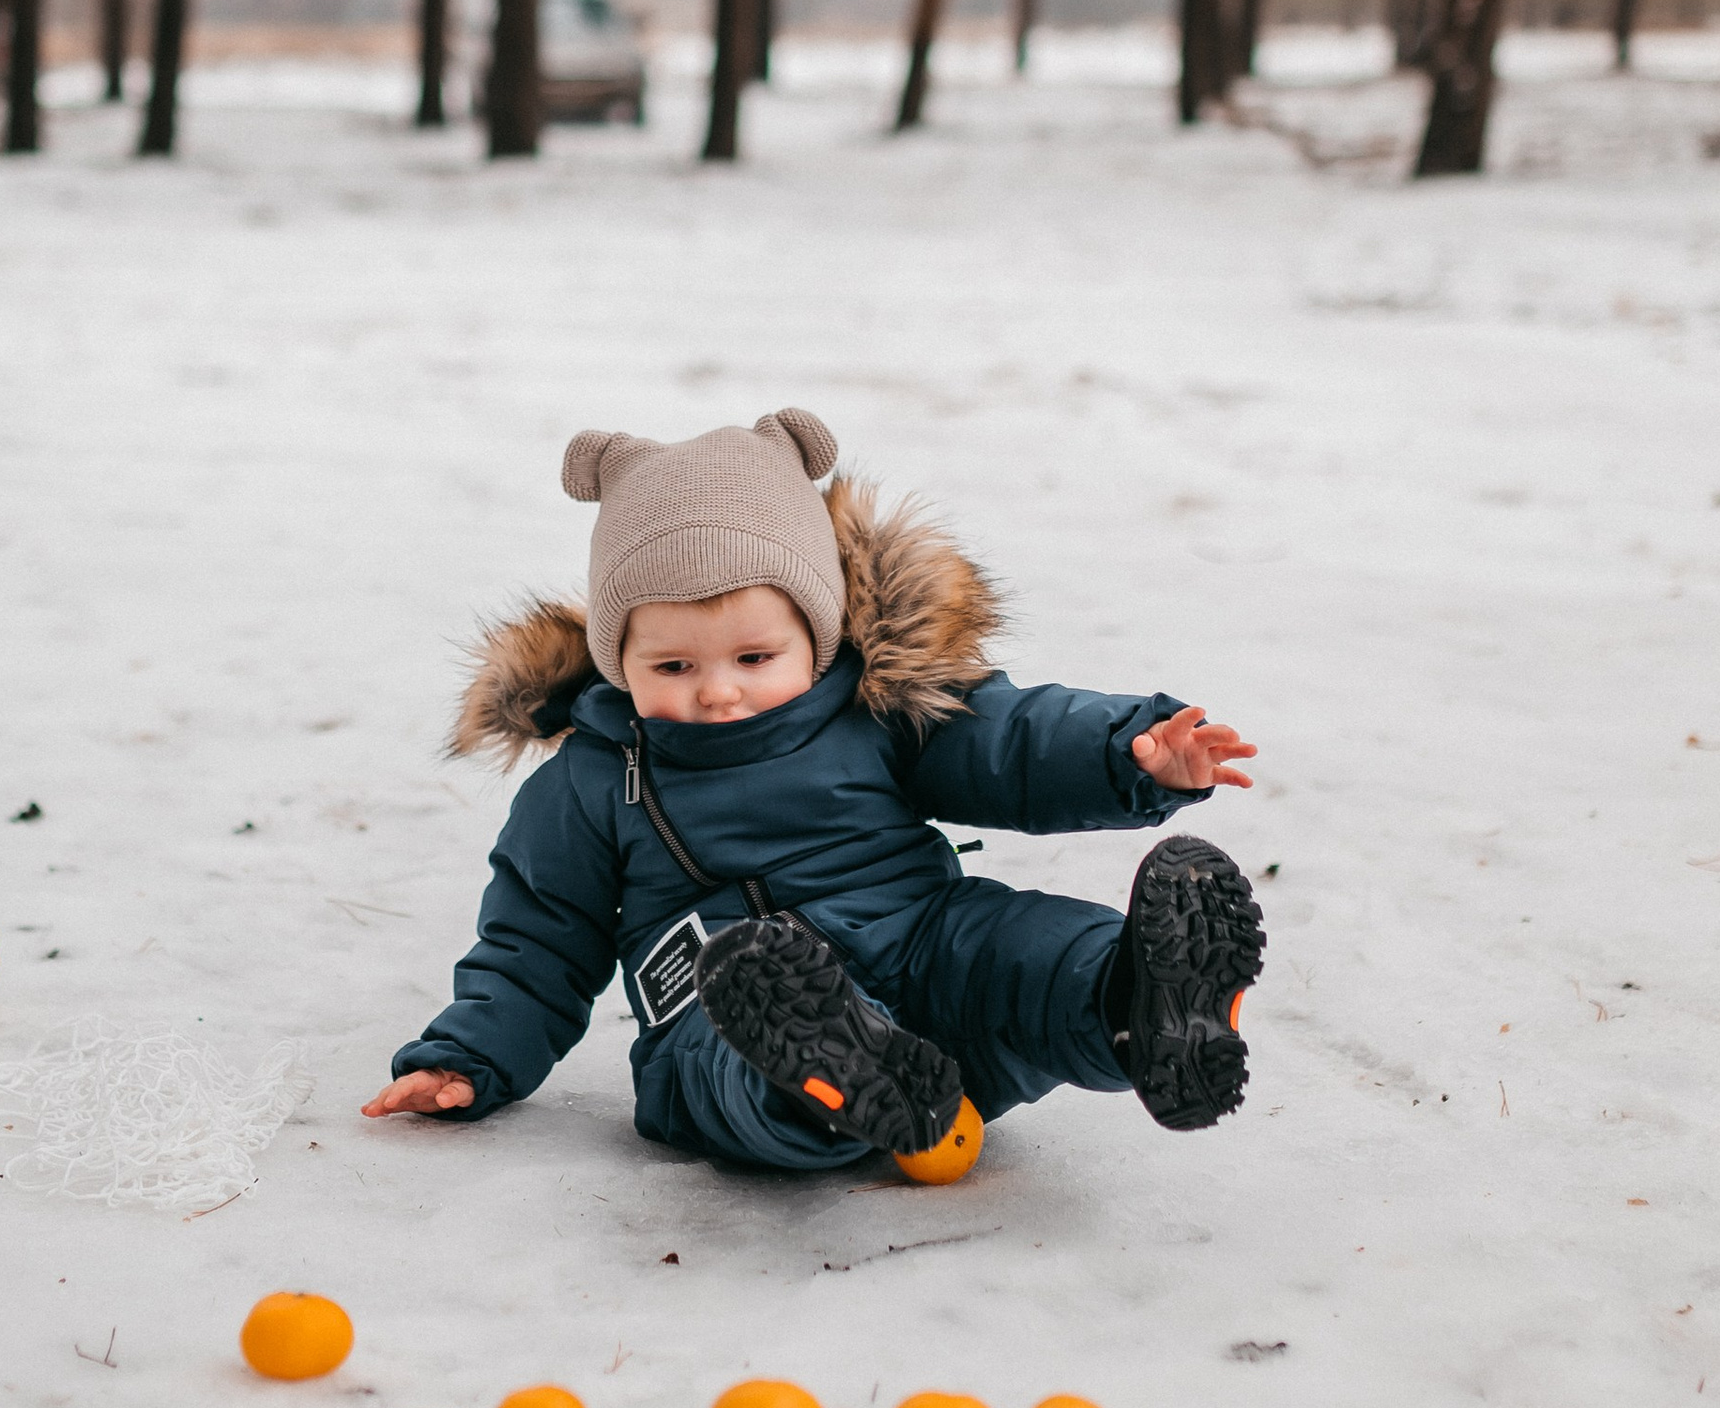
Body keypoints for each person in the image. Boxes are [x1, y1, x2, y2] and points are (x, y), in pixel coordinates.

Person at [362, 408, 1263, 1176]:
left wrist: (1130, 753)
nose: (718, 690)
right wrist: (469, 1056)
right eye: (673, 666)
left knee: (1021, 950)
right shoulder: (591, 780)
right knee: (726, 1062)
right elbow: (537, 938)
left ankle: (1140, 1004)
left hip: (921, 940)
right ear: (616, 659)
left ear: (817, 632)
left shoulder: (875, 706)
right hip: (726, 991)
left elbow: (1009, 741)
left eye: (754, 656)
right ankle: (833, 1074)